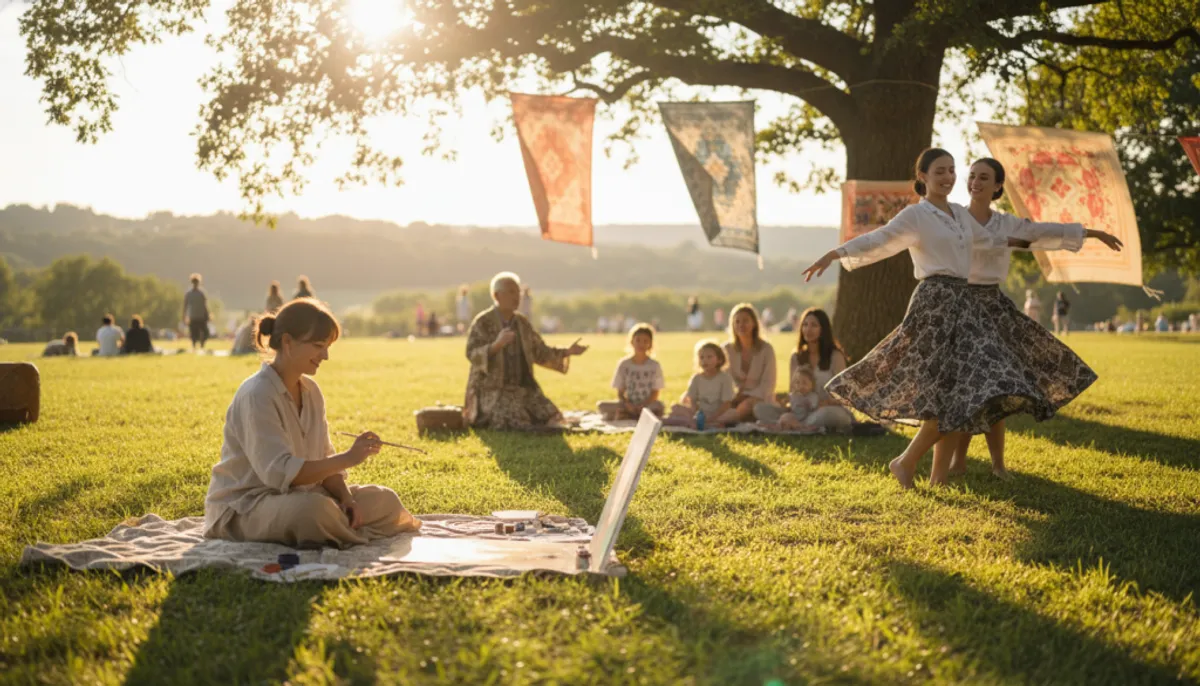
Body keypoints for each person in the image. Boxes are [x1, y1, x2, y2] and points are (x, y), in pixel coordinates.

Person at [801, 147, 1042, 489]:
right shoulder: (917, 216)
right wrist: (836, 253)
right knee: (945, 392)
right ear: (923, 178)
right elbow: (879, 238)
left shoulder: (960, 214)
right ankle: (912, 465)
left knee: (961, 390)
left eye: (951, 170)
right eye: (940, 171)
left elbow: (994, 237)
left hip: (964, 304)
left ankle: (929, 473)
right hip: (934, 305)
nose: (948, 177)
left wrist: (1066, 238)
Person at [932, 157, 1122, 481]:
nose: (975, 182)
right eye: (972, 176)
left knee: (998, 387)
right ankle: (957, 463)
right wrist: (1008, 243)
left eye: (984, 178)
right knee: (968, 387)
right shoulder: (955, 218)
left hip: (994, 305)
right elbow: (965, 241)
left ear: (997, 187)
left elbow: (1040, 232)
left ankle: (998, 465)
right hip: (962, 306)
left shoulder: (1006, 222)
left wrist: (1091, 232)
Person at [203, 298, 420, 547]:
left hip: (303, 496)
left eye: (327, 346)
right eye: (318, 345)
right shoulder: (257, 394)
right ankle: (346, 531)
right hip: (248, 506)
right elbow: (280, 474)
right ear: (287, 342)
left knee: (385, 501)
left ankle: (338, 527)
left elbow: (324, 459)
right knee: (312, 513)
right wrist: (349, 458)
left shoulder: (311, 391)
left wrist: (347, 498)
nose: (325, 356)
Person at [463, 272, 588, 429]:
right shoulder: (483, 322)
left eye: (518, 292)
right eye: (511, 292)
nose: (517, 297)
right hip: (493, 391)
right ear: (496, 295)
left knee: (550, 414)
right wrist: (497, 345)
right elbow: (472, 353)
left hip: (523, 389)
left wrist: (567, 351)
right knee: (515, 419)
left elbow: (540, 351)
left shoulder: (522, 323)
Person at [753, 307, 854, 432]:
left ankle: (792, 424)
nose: (808, 329)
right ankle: (797, 423)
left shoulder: (835, 356)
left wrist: (825, 402)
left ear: (823, 329)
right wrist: (789, 403)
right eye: (805, 325)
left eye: (814, 325)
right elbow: (793, 391)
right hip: (801, 411)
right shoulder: (796, 357)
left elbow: (844, 395)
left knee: (829, 415)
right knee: (760, 409)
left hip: (828, 409)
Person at [720, 303, 777, 425]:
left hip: (759, 399)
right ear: (732, 325)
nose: (741, 325)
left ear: (754, 323)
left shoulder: (766, 349)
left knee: (748, 405)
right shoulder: (726, 349)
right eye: (737, 321)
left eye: (745, 321)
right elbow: (723, 378)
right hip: (732, 398)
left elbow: (768, 384)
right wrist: (735, 395)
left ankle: (722, 422)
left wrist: (747, 396)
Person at [597, 323, 666, 420]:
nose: (641, 344)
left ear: (650, 344)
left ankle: (628, 415)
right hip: (628, 404)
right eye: (638, 340)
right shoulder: (624, 364)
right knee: (601, 405)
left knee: (660, 406)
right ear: (632, 342)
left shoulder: (654, 365)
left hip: (647, 405)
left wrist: (643, 405)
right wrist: (628, 404)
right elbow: (620, 392)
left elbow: (655, 392)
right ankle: (631, 414)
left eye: (645, 341)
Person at [665, 340, 735, 428]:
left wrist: (713, 417)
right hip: (700, 412)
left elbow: (727, 403)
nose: (705, 360)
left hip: (719, 413)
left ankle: (707, 423)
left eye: (709, 357)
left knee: (733, 414)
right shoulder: (696, 378)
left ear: (719, 360)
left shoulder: (725, 378)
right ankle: (700, 423)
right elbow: (692, 400)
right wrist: (697, 414)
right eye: (701, 357)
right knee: (675, 408)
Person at [758, 366, 820, 431]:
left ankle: (794, 426)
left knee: (789, 418)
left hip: (806, 419)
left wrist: (808, 404)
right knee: (786, 416)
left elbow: (814, 408)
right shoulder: (793, 395)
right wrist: (783, 403)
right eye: (797, 383)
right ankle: (779, 425)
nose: (800, 386)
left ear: (812, 385)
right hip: (793, 417)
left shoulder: (812, 396)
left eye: (804, 383)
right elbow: (785, 403)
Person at [183, 273, 211, 350]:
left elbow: (205, 305)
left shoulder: (202, 293)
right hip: (193, 316)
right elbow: (185, 305)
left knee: (205, 333)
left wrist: (208, 315)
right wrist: (184, 316)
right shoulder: (189, 294)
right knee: (193, 334)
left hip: (201, 316)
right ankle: (194, 347)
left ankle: (202, 345)